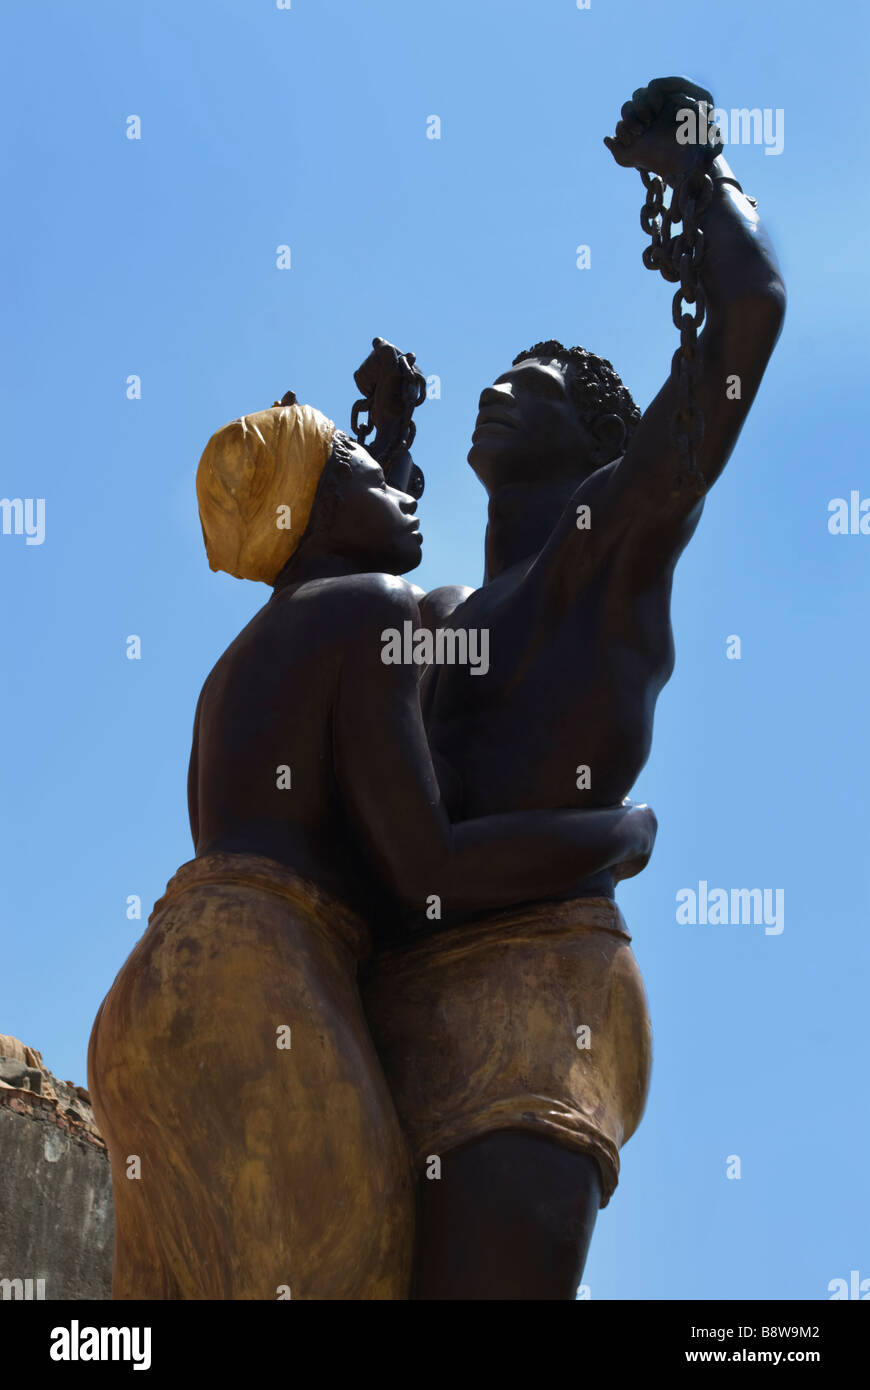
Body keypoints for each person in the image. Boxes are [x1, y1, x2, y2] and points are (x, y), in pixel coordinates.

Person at [363, 77, 786, 1299]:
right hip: (389, 994)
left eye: (531, 382)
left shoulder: (606, 543)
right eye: (493, 379)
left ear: (595, 436)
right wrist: (379, 450)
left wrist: (697, 173)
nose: (495, 389)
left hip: (535, 998)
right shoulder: (447, 620)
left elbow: (751, 310)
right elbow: (351, 667)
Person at [87, 395, 654, 1300]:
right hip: (258, 976)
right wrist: (614, 833)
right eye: (370, 471)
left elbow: (340, 824)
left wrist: (375, 445)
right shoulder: (375, 609)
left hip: (153, 994)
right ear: (318, 502)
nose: (401, 489)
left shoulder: (243, 659)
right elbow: (426, 868)